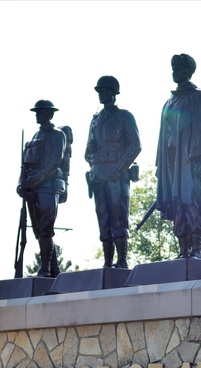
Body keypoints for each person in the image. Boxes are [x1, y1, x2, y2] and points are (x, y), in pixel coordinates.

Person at [156, 54, 201, 260]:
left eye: (179, 68)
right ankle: (183, 249)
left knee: (193, 203)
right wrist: (162, 168)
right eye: (173, 68)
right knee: (178, 204)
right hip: (173, 165)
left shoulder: (200, 97)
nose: (175, 71)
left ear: (188, 71)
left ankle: (196, 248)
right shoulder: (169, 103)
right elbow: (163, 138)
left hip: (194, 162)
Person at [85, 75, 142, 269]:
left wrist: (117, 168)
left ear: (114, 94)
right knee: (103, 218)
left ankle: (122, 260)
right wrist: (97, 166)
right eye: (99, 91)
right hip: (99, 176)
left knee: (119, 218)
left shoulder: (124, 116)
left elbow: (135, 146)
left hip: (117, 176)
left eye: (105, 91)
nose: (102, 94)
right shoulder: (95, 120)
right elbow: (88, 150)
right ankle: (107, 262)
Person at [18, 100, 71, 278]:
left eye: (41, 112)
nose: (37, 115)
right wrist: (21, 183)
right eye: (36, 112)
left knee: (46, 229)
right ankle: (54, 268)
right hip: (32, 189)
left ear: (49, 114)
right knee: (38, 231)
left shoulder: (57, 135)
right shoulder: (35, 136)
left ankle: (45, 268)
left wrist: (33, 180)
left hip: (47, 187)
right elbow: (25, 164)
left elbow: (54, 162)